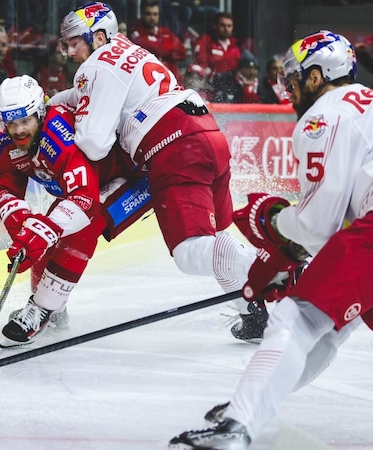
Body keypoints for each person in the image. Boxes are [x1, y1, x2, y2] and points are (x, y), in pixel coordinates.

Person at [168, 30, 373, 450]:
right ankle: (249, 406)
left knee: (297, 318)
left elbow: (317, 225)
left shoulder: (323, 113)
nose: (289, 89)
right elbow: (337, 228)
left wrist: (270, 218)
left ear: (318, 76)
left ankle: (235, 428)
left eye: (295, 77)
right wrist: (291, 256)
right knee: (328, 327)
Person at [52, 2, 265, 343]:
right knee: (217, 239)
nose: (69, 50)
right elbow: (101, 92)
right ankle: (252, 314)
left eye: (75, 41)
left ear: (99, 36)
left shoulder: (95, 66)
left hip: (174, 147)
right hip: (207, 135)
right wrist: (58, 101)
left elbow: (93, 143)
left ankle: (271, 265)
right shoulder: (131, 51)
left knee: (189, 251)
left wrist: (63, 127)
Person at [0, 75, 147, 347]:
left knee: (81, 230)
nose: (18, 131)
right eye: (11, 123)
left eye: (25, 121)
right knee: (42, 238)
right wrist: (23, 225)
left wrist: (40, 232)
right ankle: (53, 311)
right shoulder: (6, 146)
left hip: (134, 177)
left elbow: (85, 201)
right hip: (92, 185)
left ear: (40, 112)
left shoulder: (60, 136)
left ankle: (42, 309)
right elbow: (1, 188)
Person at [128, 0, 187, 84]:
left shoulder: (165, 31)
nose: (152, 17)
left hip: (174, 81)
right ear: (141, 14)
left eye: (155, 14)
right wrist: (168, 48)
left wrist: (161, 50)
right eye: (148, 14)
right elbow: (150, 48)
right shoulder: (136, 32)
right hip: (150, 82)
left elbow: (182, 52)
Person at [192, 11, 240, 79]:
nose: (226, 29)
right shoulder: (205, 42)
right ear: (215, 26)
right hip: (210, 84)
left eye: (229, 26)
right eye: (222, 25)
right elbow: (200, 65)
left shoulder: (235, 46)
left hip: (231, 85)